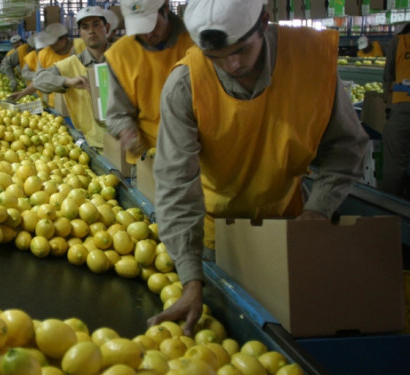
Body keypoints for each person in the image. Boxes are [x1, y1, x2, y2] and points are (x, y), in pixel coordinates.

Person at [148, 0, 369, 335]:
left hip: (290, 226)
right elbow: (176, 183)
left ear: (264, 21)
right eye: (215, 57)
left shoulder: (311, 59)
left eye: (241, 49)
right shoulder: (185, 84)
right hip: (217, 236)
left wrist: (317, 212)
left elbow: (345, 147)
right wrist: (191, 278)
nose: (232, 64)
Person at [104, 0, 195, 166]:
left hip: (197, 154)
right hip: (149, 157)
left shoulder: (195, 40)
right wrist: (126, 133)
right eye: (139, 29)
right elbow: (117, 113)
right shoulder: (119, 55)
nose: (148, 35)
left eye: (152, 25)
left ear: (166, 8)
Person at [31, 6, 112, 147]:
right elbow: (39, 80)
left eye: (96, 24)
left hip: (131, 144)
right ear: (80, 33)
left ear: (107, 28)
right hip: (95, 145)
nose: (91, 31)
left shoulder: (124, 58)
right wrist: (68, 81)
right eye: (85, 27)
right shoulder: (70, 65)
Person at [381, 23, 410, 197]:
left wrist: (389, 105)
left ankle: (391, 210)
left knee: (394, 164)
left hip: (401, 108)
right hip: (400, 108)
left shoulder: (398, 42)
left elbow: (388, 77)